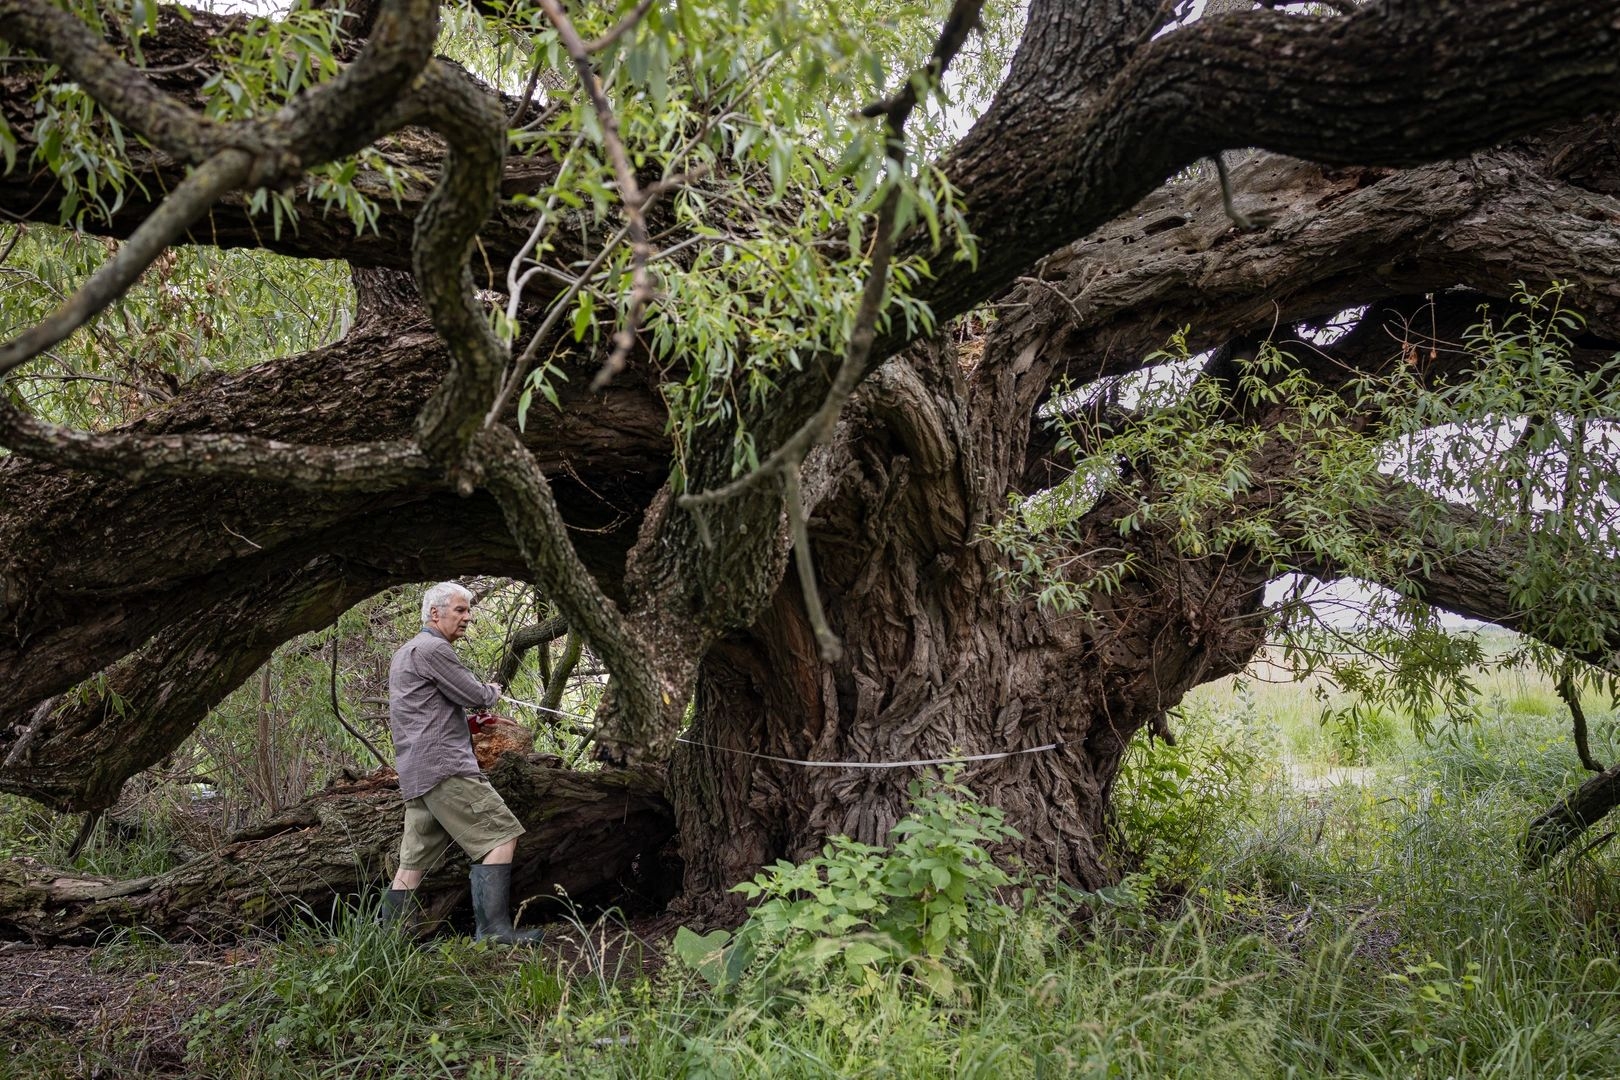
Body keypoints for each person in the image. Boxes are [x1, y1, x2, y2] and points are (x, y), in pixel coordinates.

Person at [378, 581, 542, 944]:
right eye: (460, 610)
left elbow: (424, 712)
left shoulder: (406, 652)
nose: (467, 617)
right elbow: (474, 694)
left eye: (468, 610)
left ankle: (386, 944)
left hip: (418, 774)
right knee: (501, 837)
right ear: (434, 614)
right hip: (446, 768)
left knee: (412, 866)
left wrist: (466, 722)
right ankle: (495, 933)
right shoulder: (433, 648)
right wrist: (491, 694)